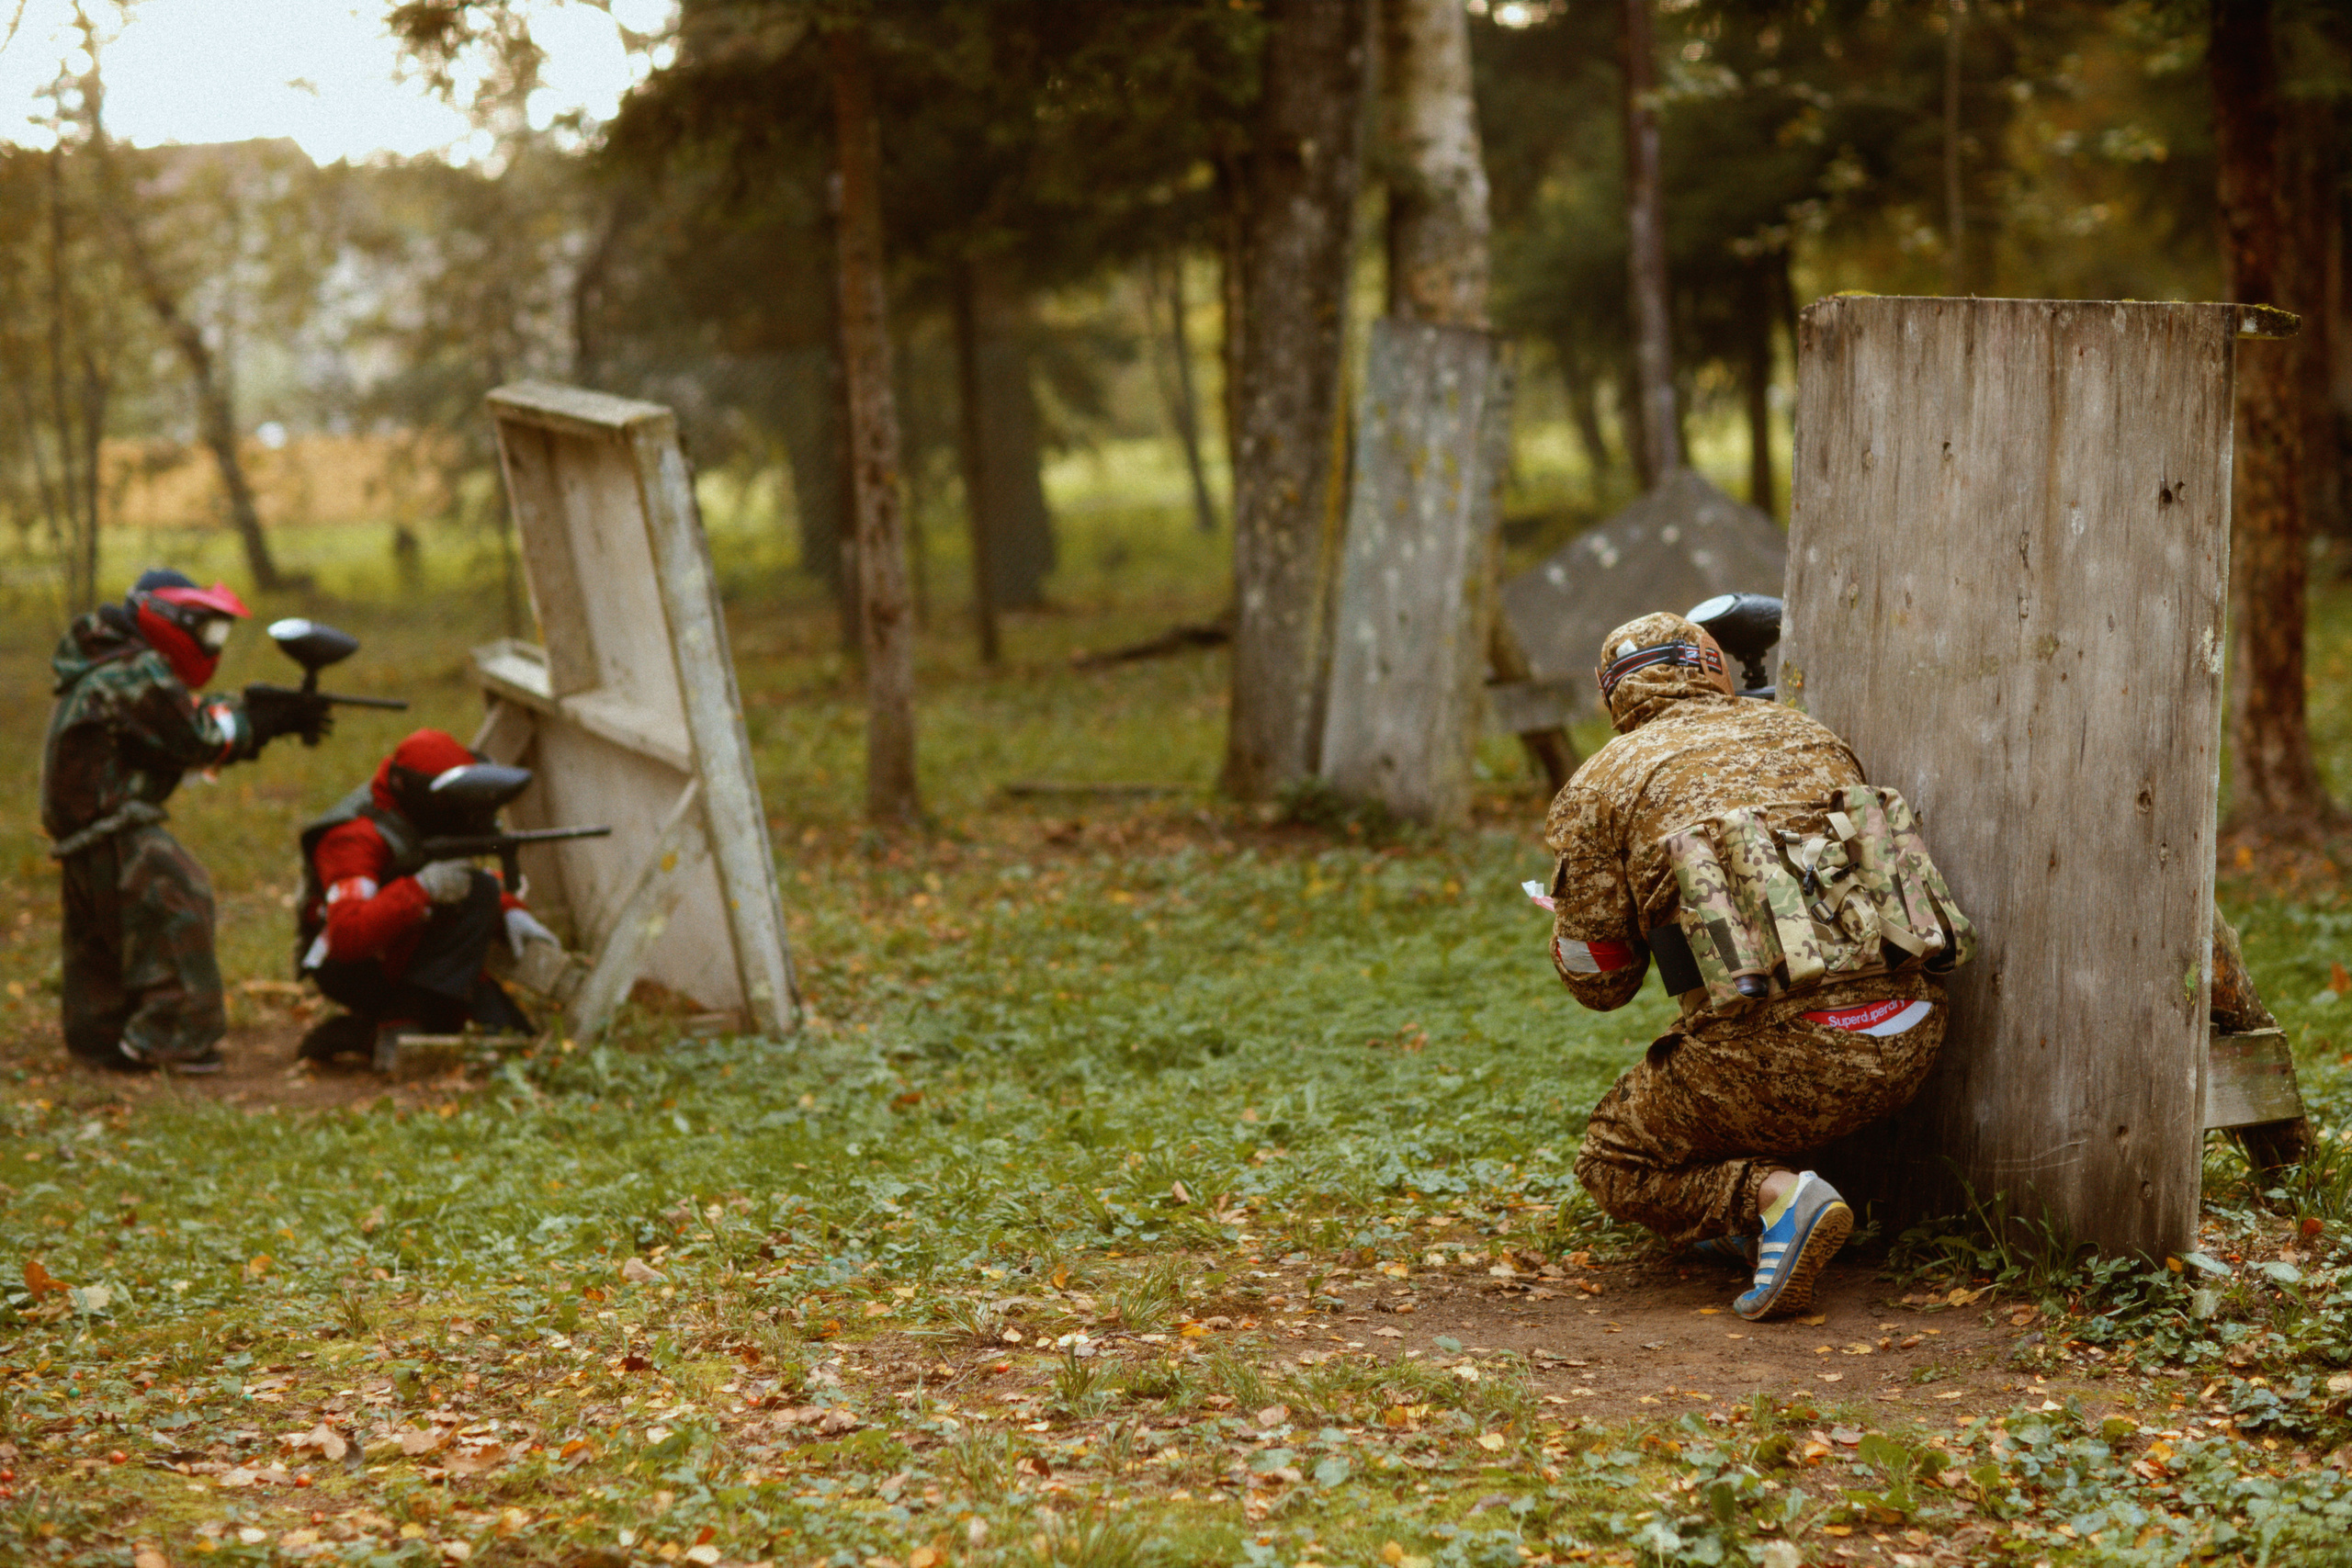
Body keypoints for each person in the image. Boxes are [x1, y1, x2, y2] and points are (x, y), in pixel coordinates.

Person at [1543, 610, 1958, 1321]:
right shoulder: (1815, 736)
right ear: (1717, 669)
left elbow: (1601, 983)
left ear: (1613, 696)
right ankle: (1766, 1224)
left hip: (1777, 1061)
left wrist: (1568, 925)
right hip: (1914, 1030)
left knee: (1613, 1157)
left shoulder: (1600, 783)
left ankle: (1776, 1199)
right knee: (1770, 1059)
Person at [42, 570, 330, 1073]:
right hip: (116, 826)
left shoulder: (116, 665)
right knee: (179, 901)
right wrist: (263, 722)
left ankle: (100, 1037)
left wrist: (253, 715)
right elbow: (192, 737)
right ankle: (173, 1037)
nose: (210, 644)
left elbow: (171, 723)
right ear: (169, 619)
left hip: (86, 834)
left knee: (101, 936)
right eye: (206, 630)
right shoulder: (135, 669)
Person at [292, 728, 553, 1066]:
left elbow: (464, 881)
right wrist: (422, 889)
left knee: (514, 1035)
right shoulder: (354, 838)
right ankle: (396, 1021)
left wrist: (509, 910)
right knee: (476, 900)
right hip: (349, 968)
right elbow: (347, 936)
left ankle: (374, 1031)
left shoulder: (410, 813)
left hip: (403, 949)